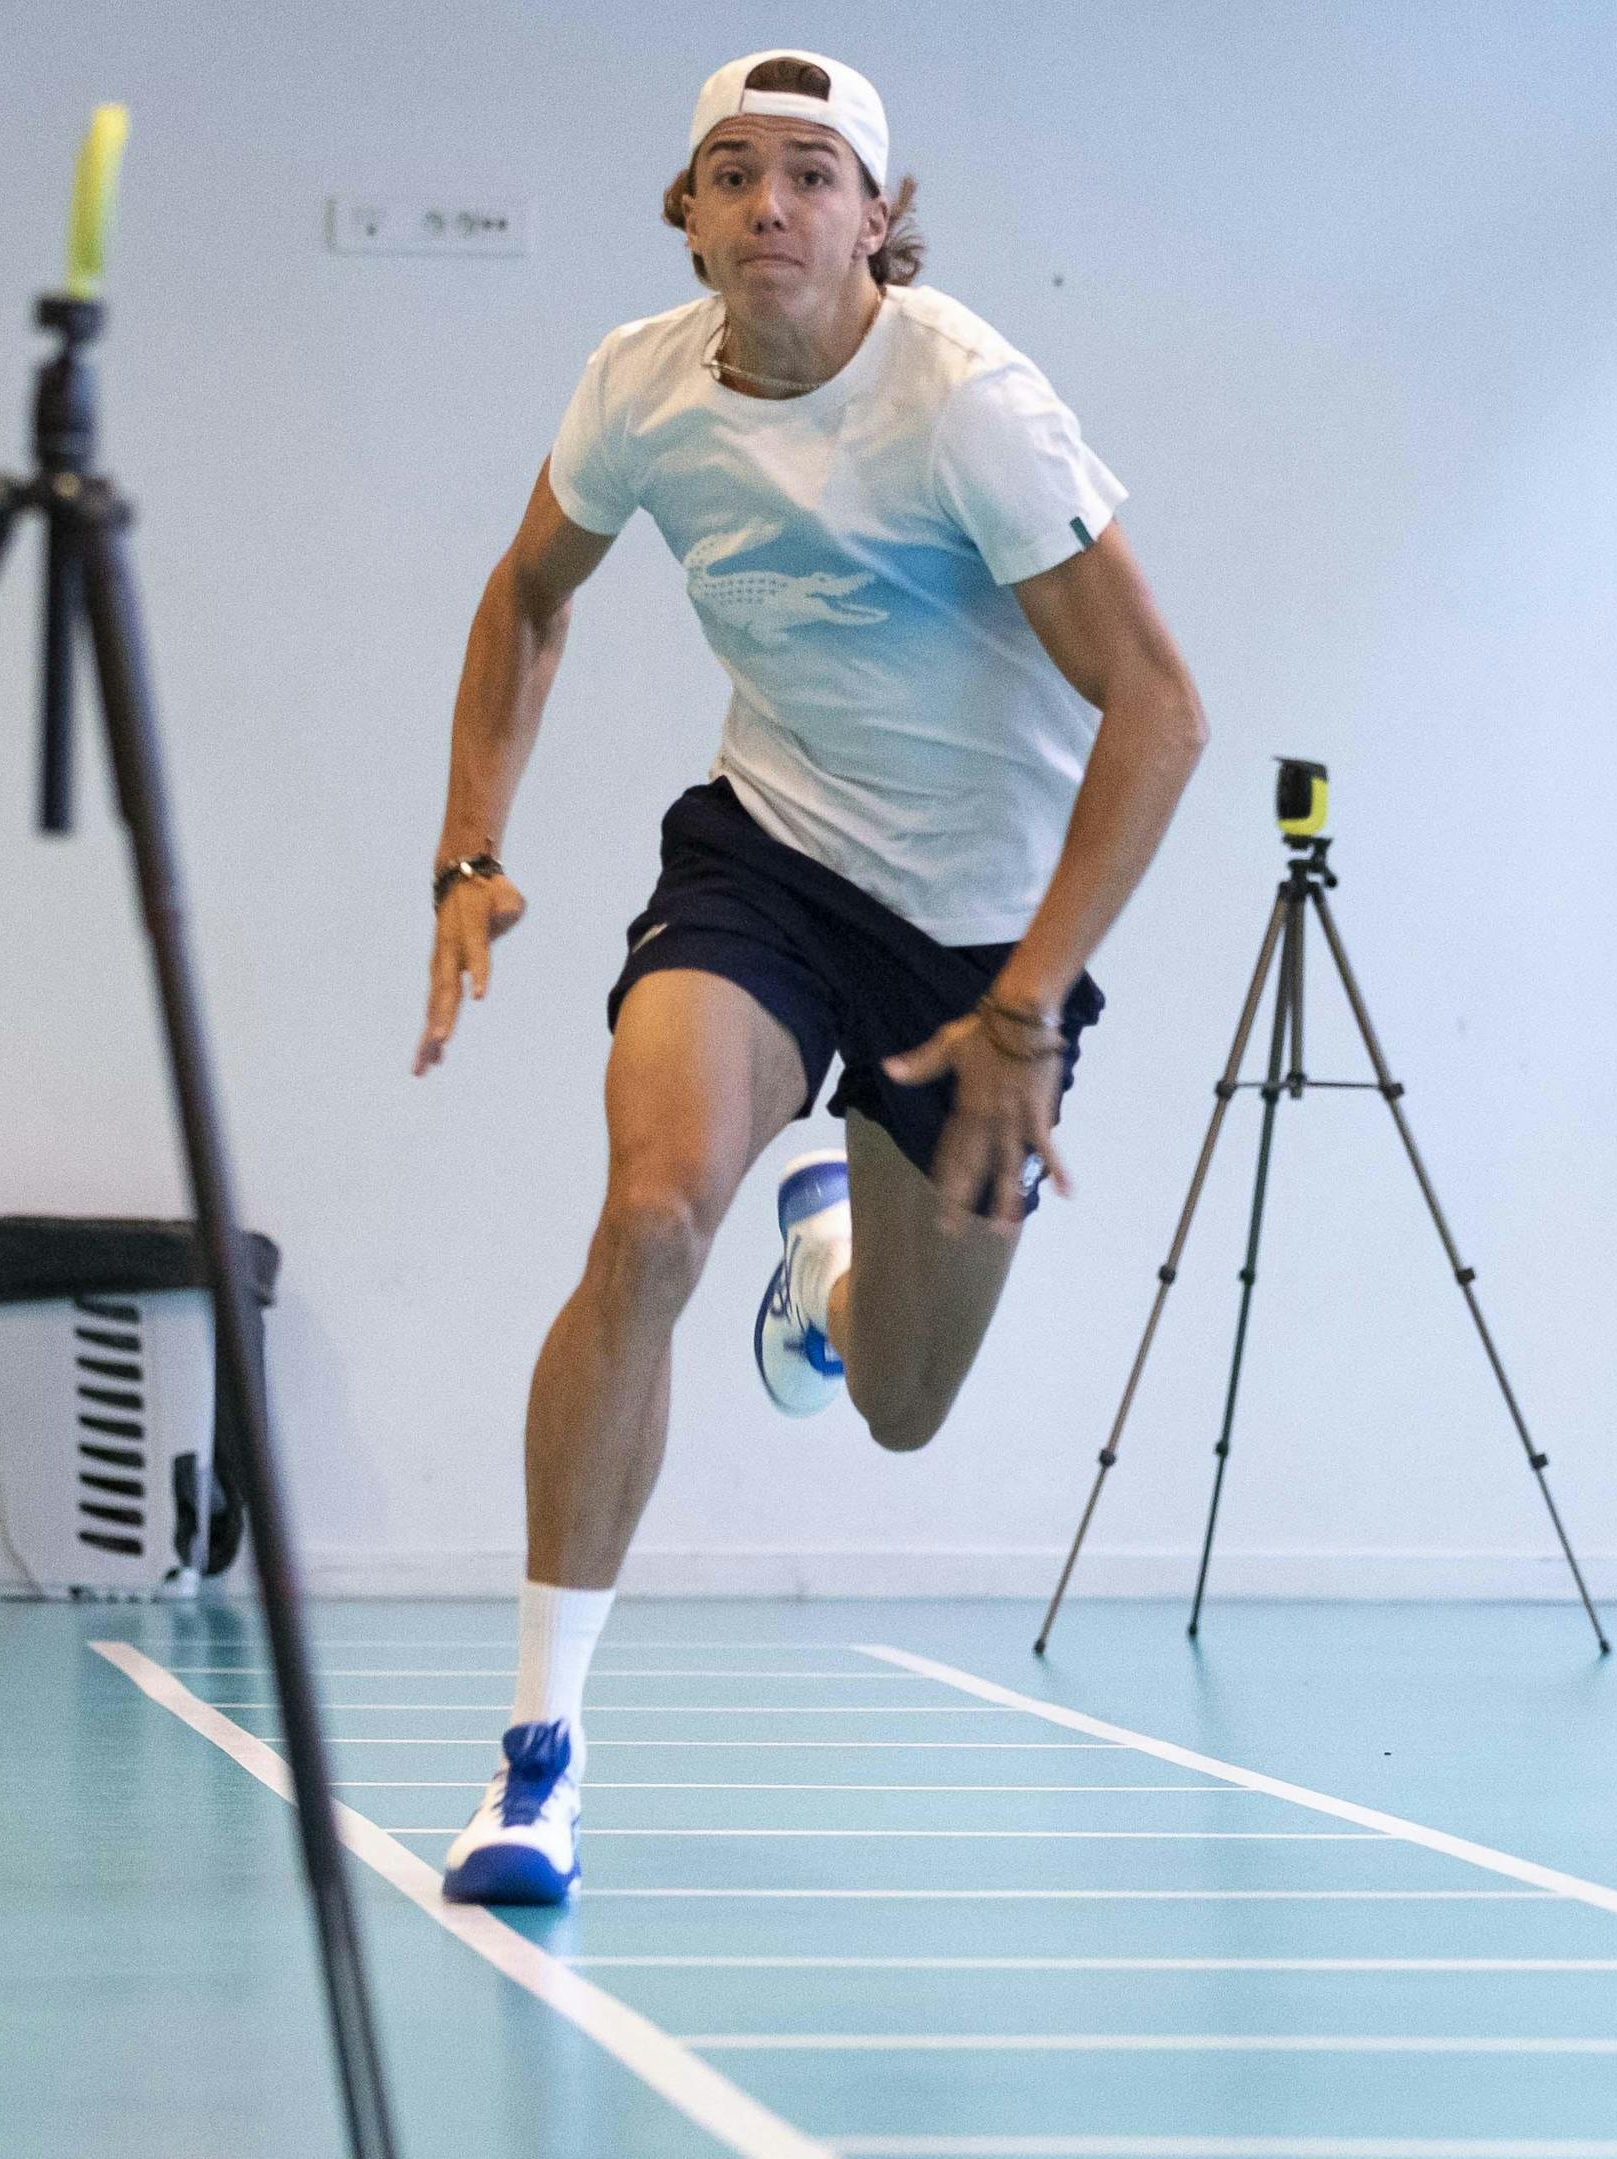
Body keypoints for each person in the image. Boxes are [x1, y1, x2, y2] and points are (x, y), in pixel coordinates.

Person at [410, 48, 1204, 1904]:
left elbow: (1160, 711)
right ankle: (540, 1760)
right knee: (651, 1218)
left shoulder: (970, 410)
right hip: (770, 857)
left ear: (877, 220)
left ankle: (835, 1256)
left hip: (988, 938)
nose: (771, 203)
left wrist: (1023, 1007)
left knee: (903, 1406)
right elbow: (530, 593)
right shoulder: (639, 388)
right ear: (687, 214)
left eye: (813, 174)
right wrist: (469, 848)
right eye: (732, 172)